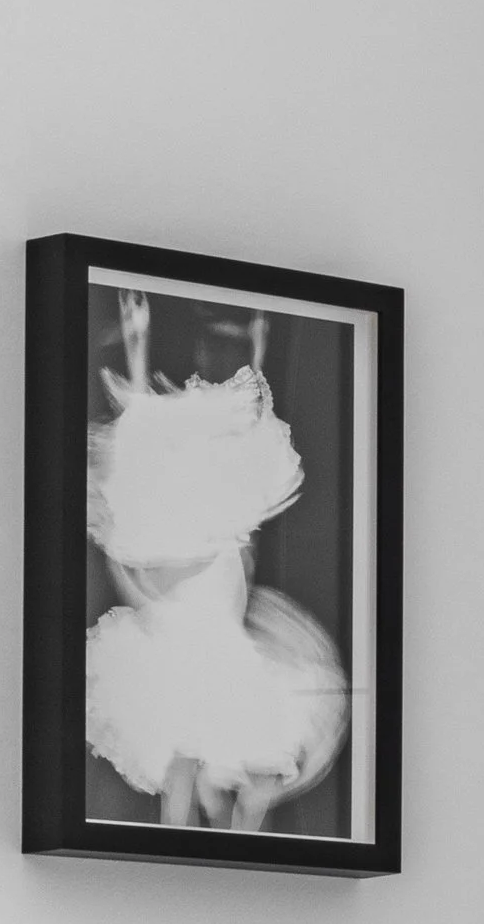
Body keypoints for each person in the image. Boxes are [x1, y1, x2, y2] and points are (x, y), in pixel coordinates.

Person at [84, 287, 349, 832]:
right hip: (197, 643)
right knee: (195, 759)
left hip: (208, 642)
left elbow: (231, 423)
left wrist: (257, 341)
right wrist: (137, 340)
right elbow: (144, 431)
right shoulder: (171, 527)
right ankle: (205, 842)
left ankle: (227, 841)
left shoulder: (203, 522)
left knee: (213, 762)